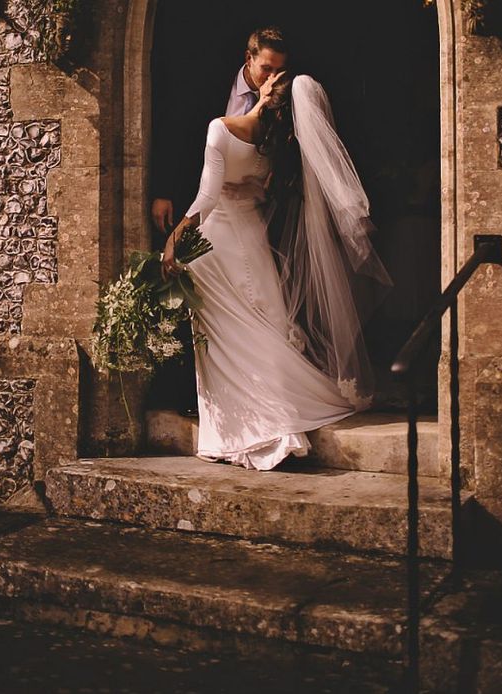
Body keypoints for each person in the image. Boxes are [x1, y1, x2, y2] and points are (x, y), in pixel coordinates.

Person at [162, 71, 391, 471]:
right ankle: (280, 407)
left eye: (269, 81)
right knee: (263, 324)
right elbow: (264, 193)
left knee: (223, 334)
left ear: (268, 96)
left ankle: (249, 424)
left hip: (215, 244)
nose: (264, 81)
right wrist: (249, 189)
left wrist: (175, 238)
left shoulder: (221, 128)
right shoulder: (276, 146)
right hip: (251, 236)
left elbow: (207, 197)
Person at [149, 27, 288, 417]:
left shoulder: (278, 108)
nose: (272, 77)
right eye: (266, 68)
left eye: (279, 69)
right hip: (195, 200)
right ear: (249, 60)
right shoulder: (208, 83)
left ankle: (249, 393)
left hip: (244, 216)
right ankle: (190, 395)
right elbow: (176, 129)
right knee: (196, 303)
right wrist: (164, 190)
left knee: (244, 303)